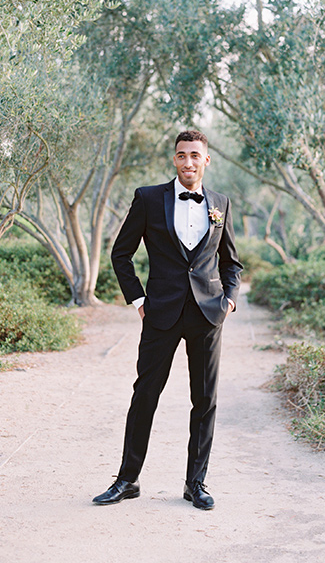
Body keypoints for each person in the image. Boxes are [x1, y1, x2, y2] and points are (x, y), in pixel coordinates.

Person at [92, 130, 242, 510]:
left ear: (206, 160)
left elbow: (231, 262)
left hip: (208, 315)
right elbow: (120, 253)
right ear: (173, 160)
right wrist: (139, 300)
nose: (188, 162)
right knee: (145, 395)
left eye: (195, 155)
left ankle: (196, 483)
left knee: (204, 400)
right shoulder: (148, 198)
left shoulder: (221, 202)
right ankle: (127, 480)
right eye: (181, 155)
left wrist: (229, 302)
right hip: (160, 313)